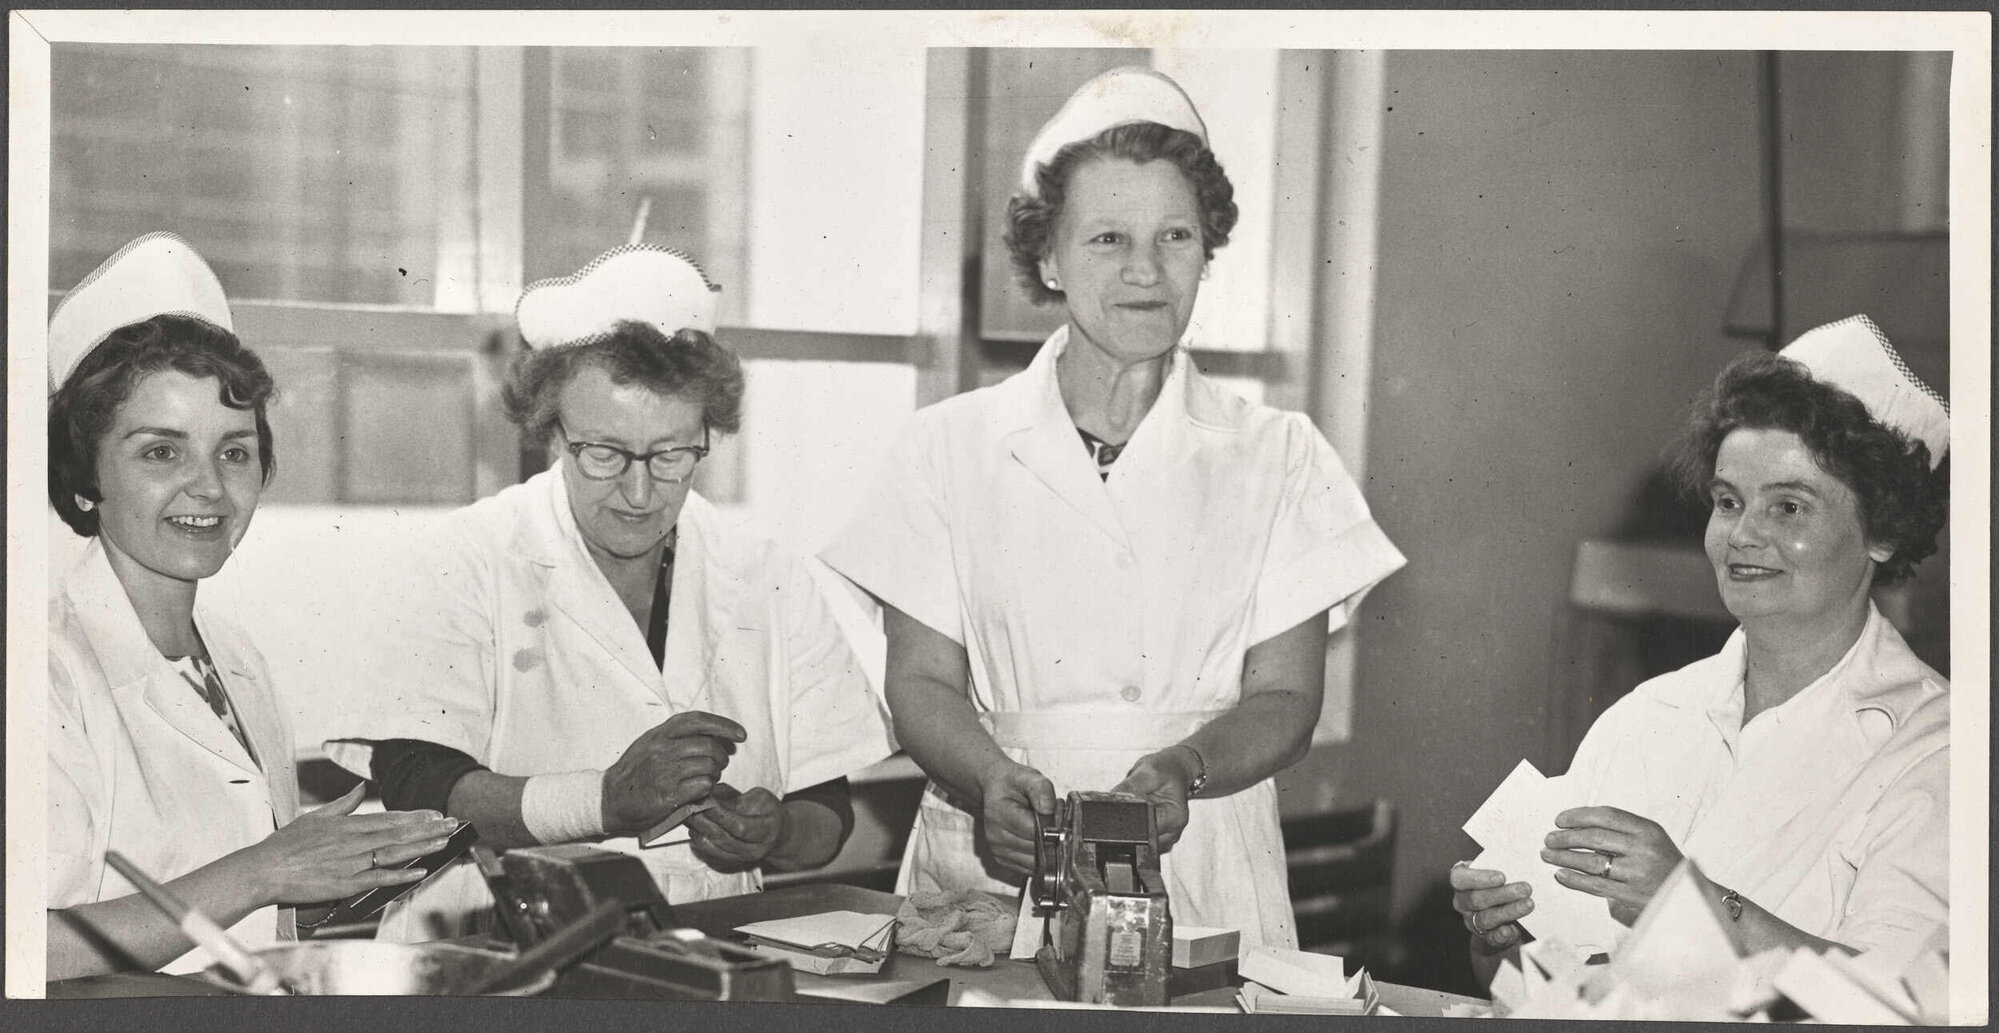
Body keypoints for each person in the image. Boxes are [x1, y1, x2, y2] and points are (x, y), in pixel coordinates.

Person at [820, 67, 1406, 951]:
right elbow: (921, 683)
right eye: (1106, 238)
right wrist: (989, 779)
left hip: (1199, 841)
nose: (1145, 269)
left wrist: (1184, 765)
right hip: (996, 850)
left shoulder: (1279, 455)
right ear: (1048, 258)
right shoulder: (945, 447)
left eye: (1175, 234)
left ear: (1207, 250)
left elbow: (1285, 695)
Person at [326, 244, 894, 941]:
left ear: (705, 435)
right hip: (498, 939)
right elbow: (420, 782)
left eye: (670, 454)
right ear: (550, 431)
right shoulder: (466, 557)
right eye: (604, 452)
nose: (637, 490)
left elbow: (825, 809)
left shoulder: (765, 573)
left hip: (715, 931)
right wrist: (602, 801)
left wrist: (770, 830)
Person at [1451, 314, 1950, 977]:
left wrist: (1694, 900)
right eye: (1727, 501)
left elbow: (1912, 1004)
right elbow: (1535, 982)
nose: (1742, 534)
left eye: (1788, 506)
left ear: (1881, 532)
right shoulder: (1645, 717)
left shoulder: (1935, 749)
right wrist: (1502, 936)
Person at [45, 233, 453, 979]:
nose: (208, 487)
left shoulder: (232, 657)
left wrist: (350, 871)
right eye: (161, 451)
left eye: (233, 451)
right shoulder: (41, 668)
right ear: (82, 477)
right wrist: (266, 868)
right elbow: (25, 943)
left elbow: (247, 918)